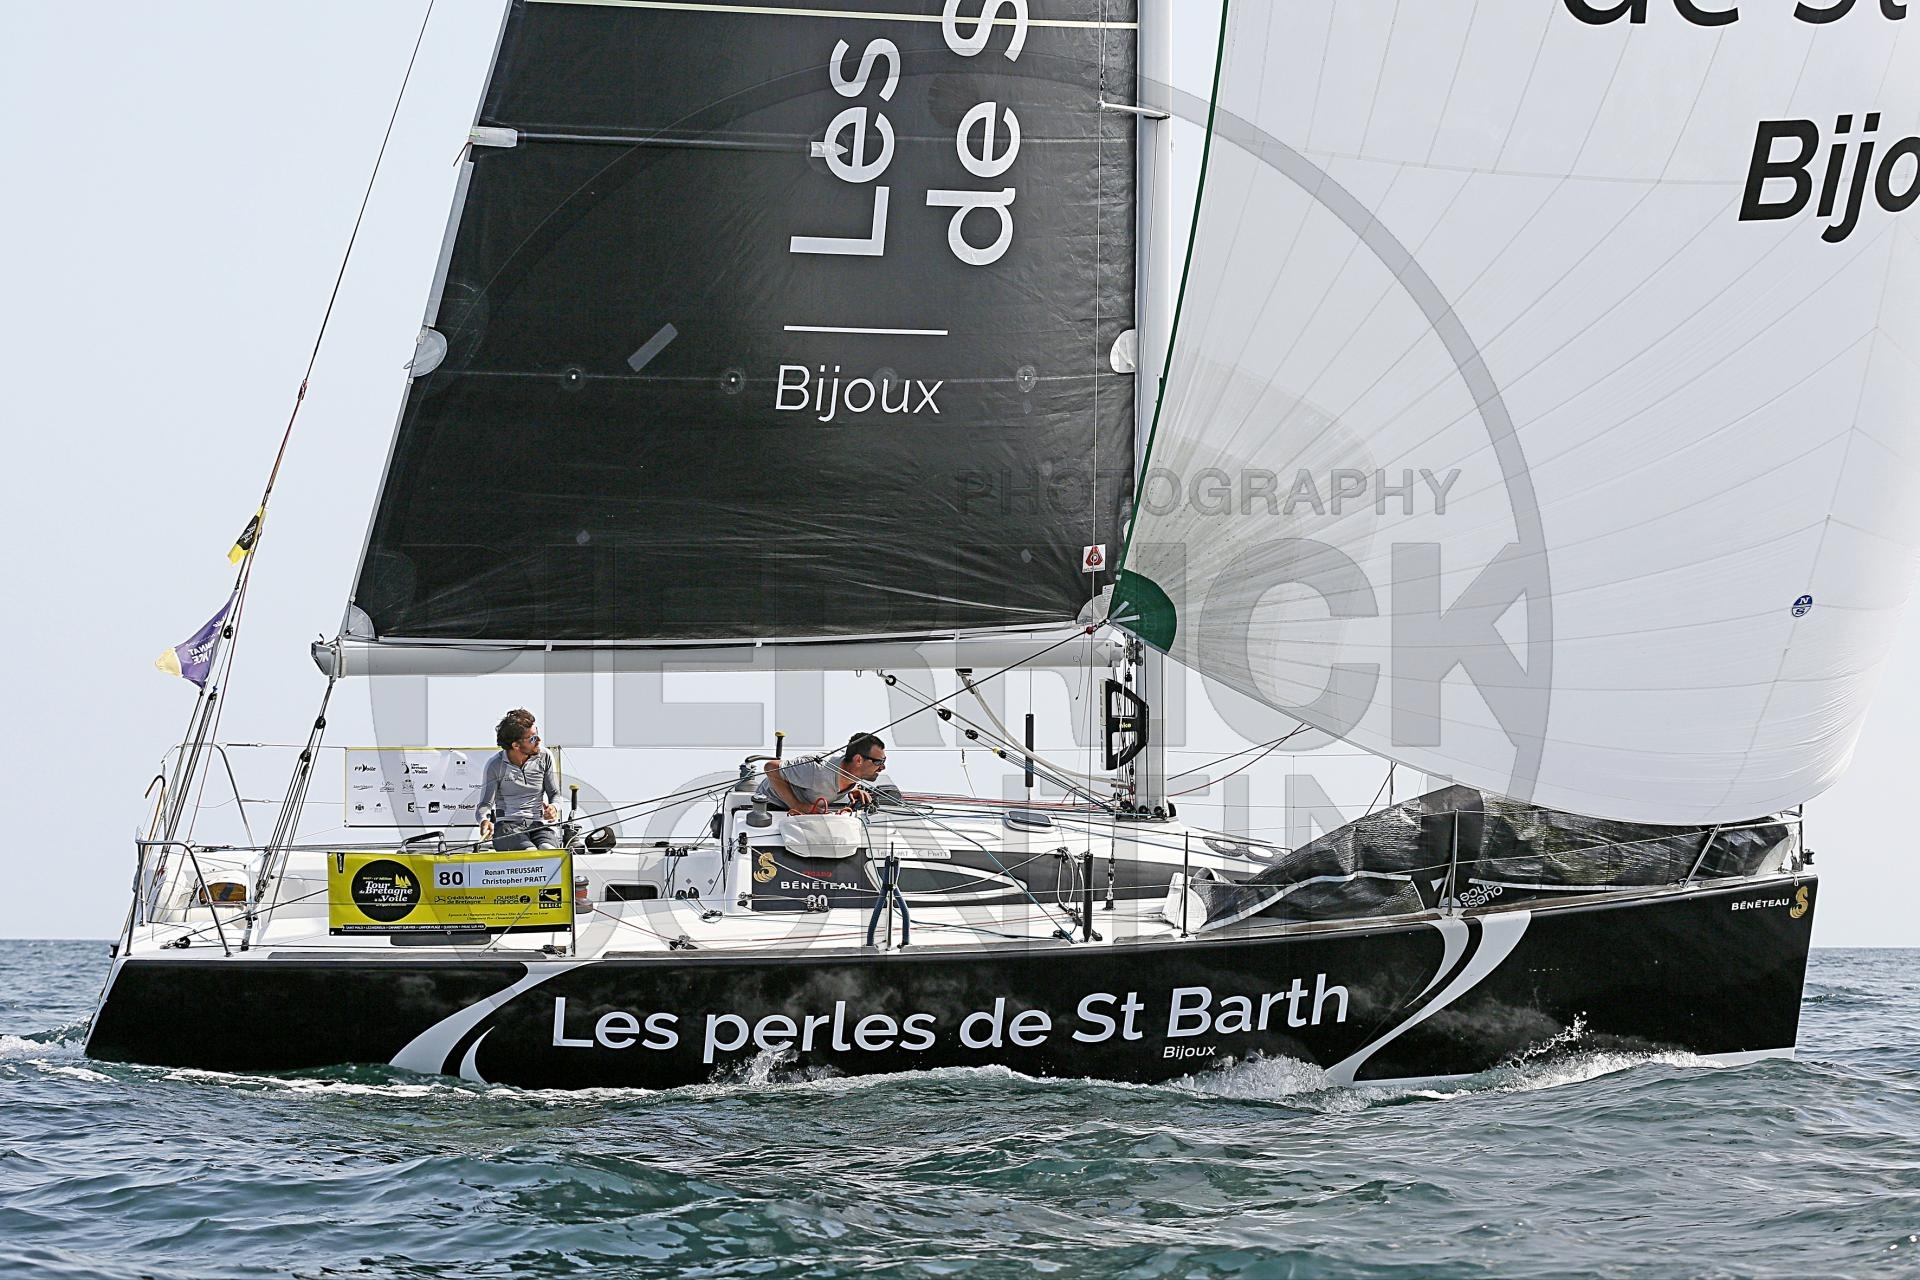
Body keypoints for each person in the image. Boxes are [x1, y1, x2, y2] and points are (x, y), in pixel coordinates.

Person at [475, 709, 561, 850]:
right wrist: (484, 820)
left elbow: (555, 794)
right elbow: (485, 804)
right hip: (507, 827)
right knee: (530, 852)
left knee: (548, 850)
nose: (539, 740)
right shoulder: (495, 765)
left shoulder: (545, 756)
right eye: (532, 738)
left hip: (538, 825)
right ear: (516, 745)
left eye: (537, 734)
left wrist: (554, 807)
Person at [755, 732, 891, 814]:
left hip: (807, 811)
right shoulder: (816, 769)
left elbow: (841, 778)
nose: (883, 767)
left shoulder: (854, 773)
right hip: (773, 805)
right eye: (878, 762)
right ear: (859, 760)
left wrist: (852, 790)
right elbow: (771, 768)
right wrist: (797, 805)